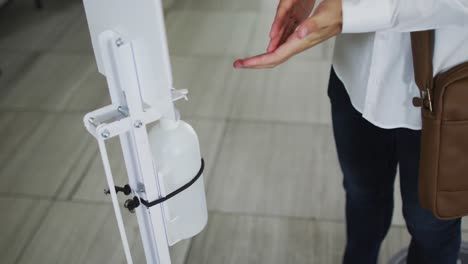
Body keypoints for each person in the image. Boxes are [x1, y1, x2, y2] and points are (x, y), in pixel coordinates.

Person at [233, 0, 468, 263]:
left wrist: (351, 13)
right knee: (362, 198)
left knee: (431, 225)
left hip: (444, 98)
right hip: (356, 75)